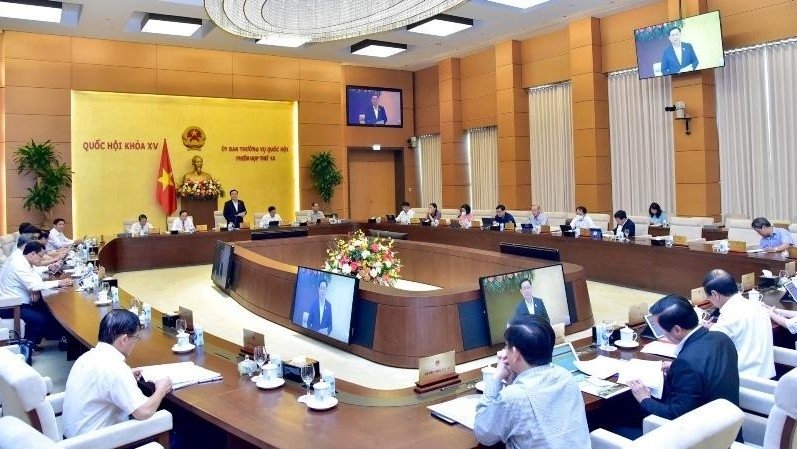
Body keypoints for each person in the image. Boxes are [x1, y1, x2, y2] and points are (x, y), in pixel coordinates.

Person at [474, 315, 590, 449]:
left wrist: (496, 377)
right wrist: (513, 380)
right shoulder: (566, 376)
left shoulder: (513, 397)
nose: (504, 351)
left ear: (516, 353)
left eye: (506, 346)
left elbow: (483, 433)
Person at [626, 295, 739, 425]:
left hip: (702, 437)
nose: (661, 333)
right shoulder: (721, 338)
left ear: (677, 330)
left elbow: (676, 414)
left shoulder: (687, 363)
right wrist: (676, 368)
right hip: (728, 426)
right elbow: (705, 369)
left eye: (661, 329)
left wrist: (645, 399)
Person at [63, 309, 172, 438]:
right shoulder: (115, 367)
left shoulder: (87, 357)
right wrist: (161, 389)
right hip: (97, 443)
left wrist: (126, 376)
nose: (136, 343)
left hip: (73, 440)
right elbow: (143, 412)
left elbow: (102, 382)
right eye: (136, 338)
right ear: (124, 339)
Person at [703, 269, 775, 379]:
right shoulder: (756, 306)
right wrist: (715, 328)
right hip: (768, 376)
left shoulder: (728, 317)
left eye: (708, 297)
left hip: (746, 382)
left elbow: (710, 350)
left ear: (714, 294)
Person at [0, 241, 72, 347]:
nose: (41, 259)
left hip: (20, 302)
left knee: (50, 311)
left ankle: (63, 339)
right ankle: (27, 347)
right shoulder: (18, 264)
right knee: (40, 319)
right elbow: (33, 285)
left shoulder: (22, 259)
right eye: (41, 256)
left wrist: (48, 269)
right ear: (32, 254)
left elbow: (33, 275)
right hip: (11, 306)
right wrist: (59, 282)